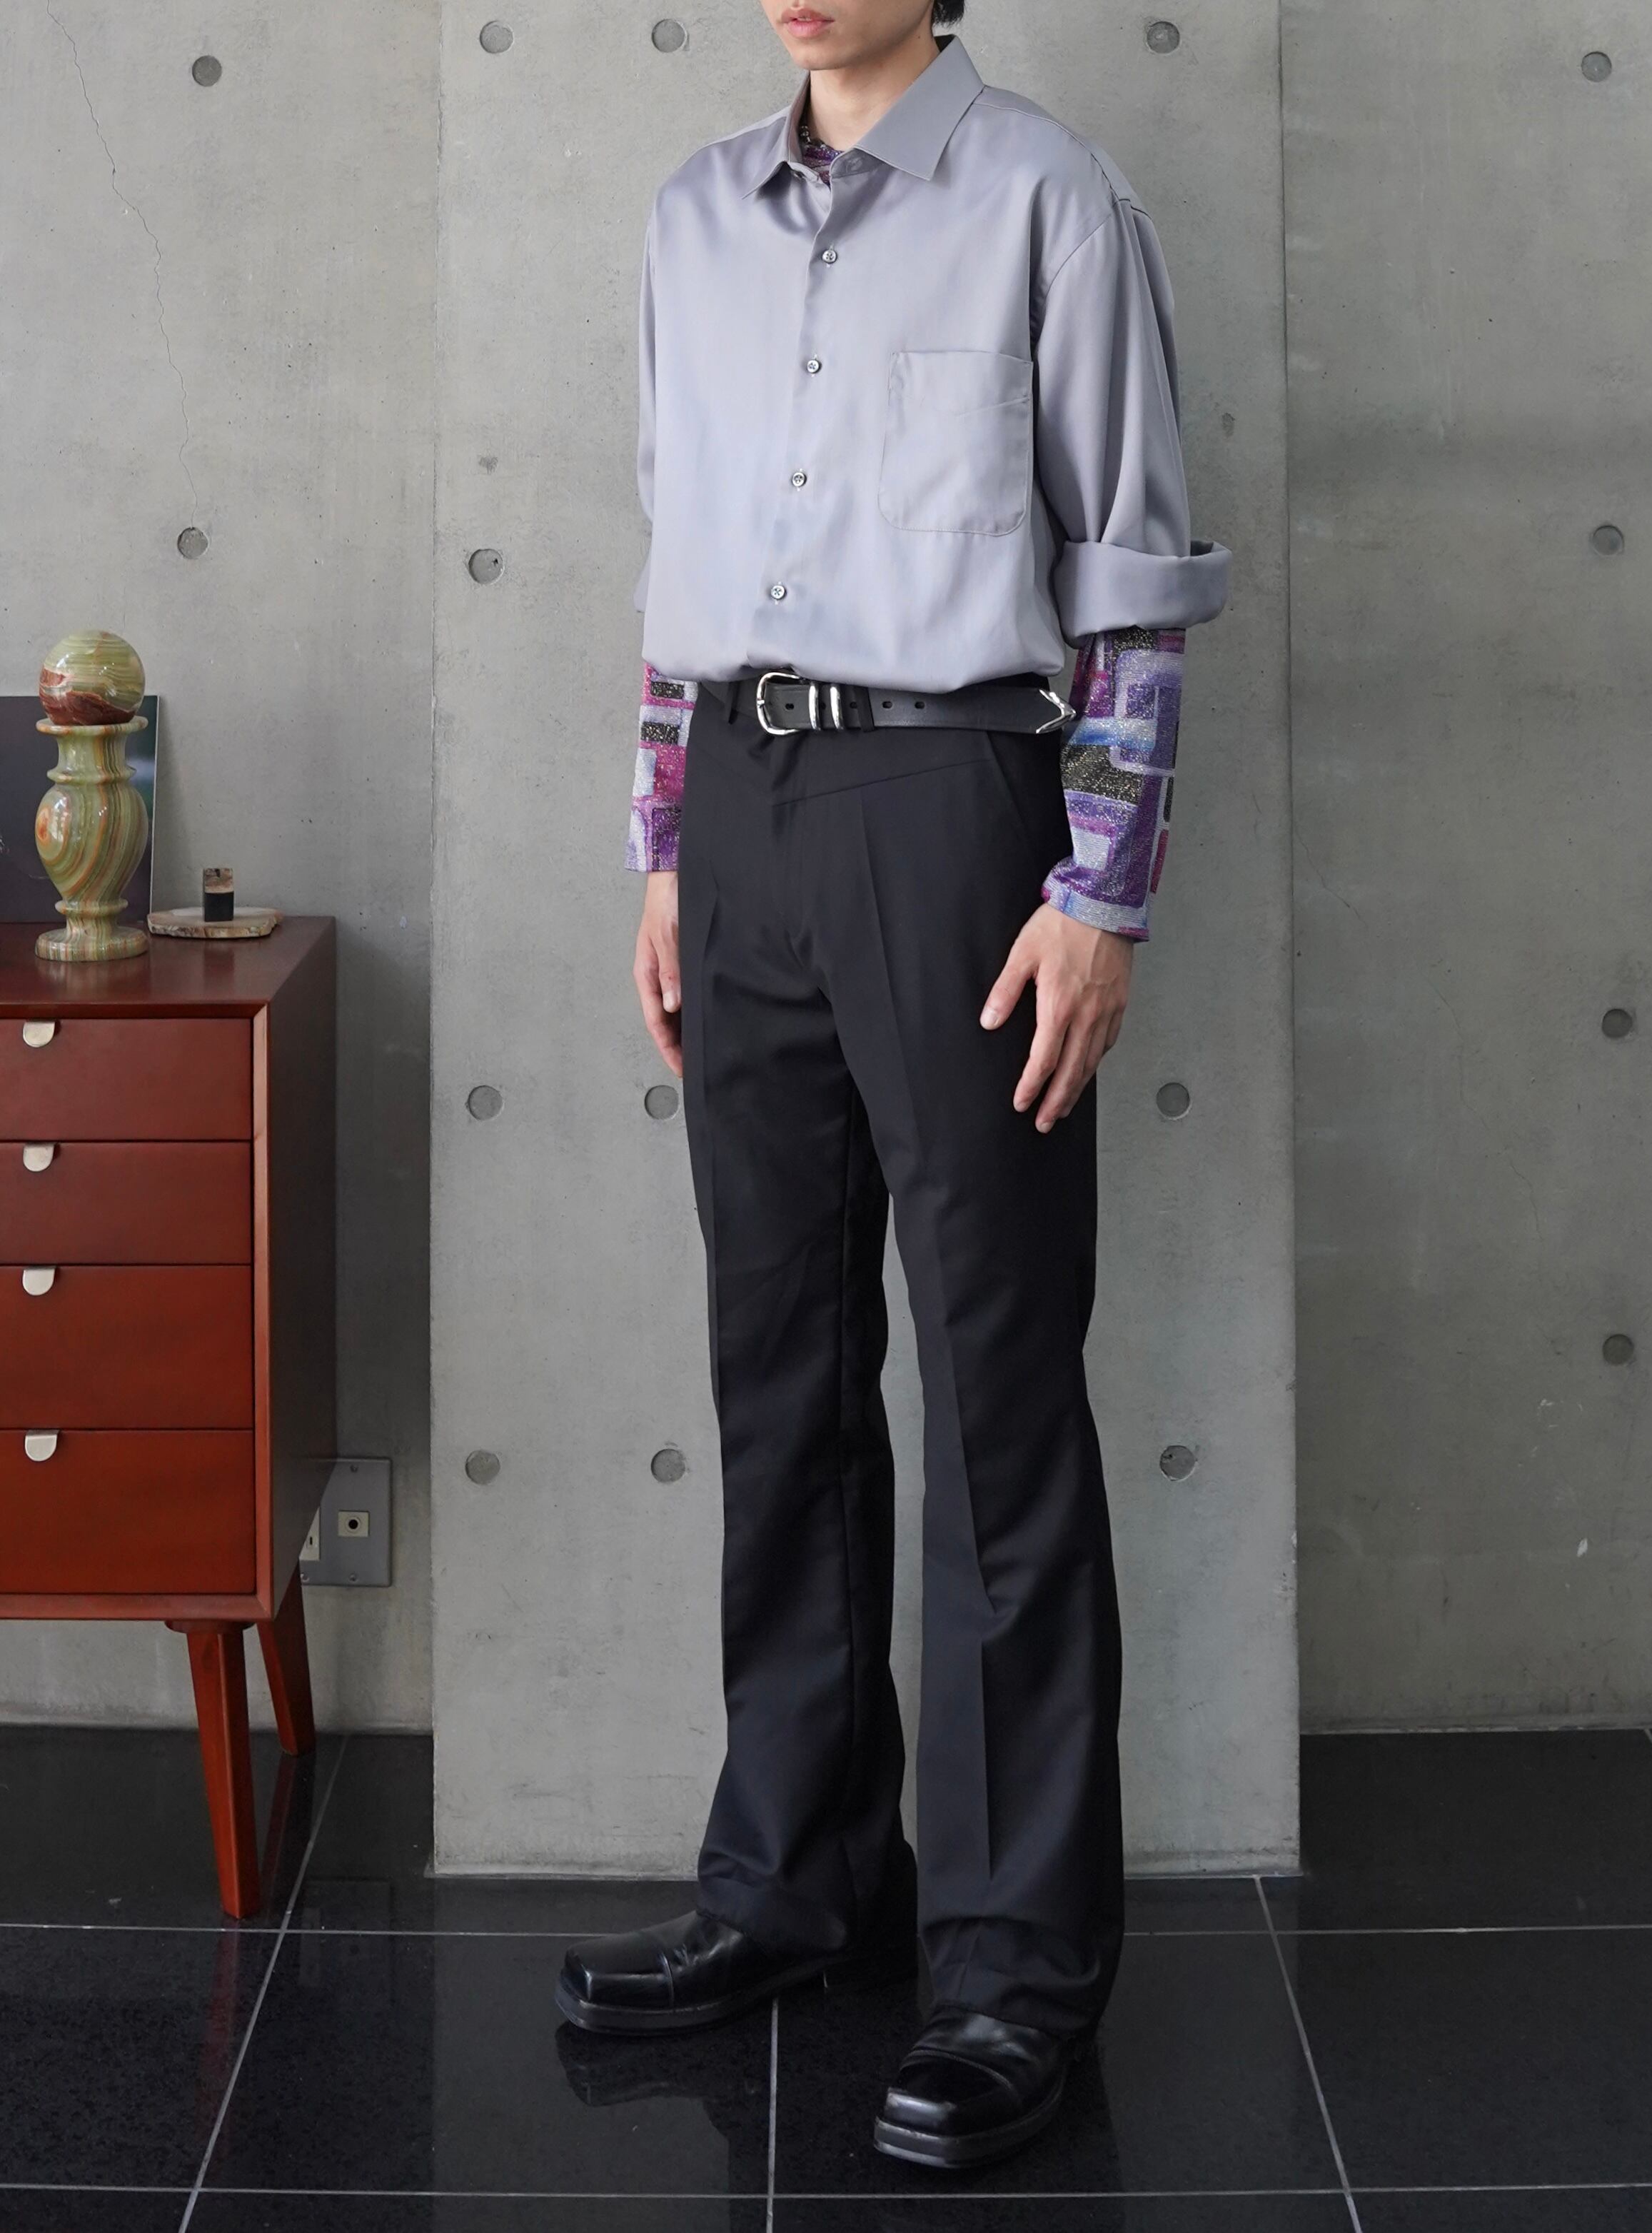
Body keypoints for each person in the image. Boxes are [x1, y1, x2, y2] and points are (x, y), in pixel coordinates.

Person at [555, 0, 1229, 2170]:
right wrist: (668, 847)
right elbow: (673, 551)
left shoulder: (1050, 197)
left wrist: (1101, 889)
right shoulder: (690, 217)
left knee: (997, 1388)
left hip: (957, 808)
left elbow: (1131, 572)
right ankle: (796, 1877)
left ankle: (1015, 1965)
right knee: (778, 1369)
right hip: (740, 813)